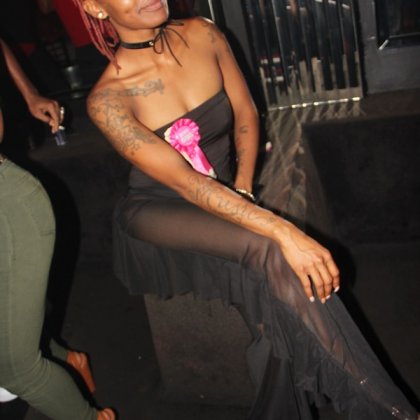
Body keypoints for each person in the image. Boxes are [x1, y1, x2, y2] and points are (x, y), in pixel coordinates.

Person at [74, 1, 419, 419]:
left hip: (223, 190)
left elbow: (245, 112)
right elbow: (186, 183)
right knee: (272, 248)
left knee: (273, 310)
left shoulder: (204, 33)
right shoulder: (107, 99)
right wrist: (284, 230)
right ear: (95, 7)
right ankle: (387, 410)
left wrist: (242, 187)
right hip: (160, 207)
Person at [0, 38, 115, 420]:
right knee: (9, 328)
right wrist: (30, 93)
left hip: (7, 207)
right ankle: (70, 363)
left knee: (17, 369)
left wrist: (28, 94)